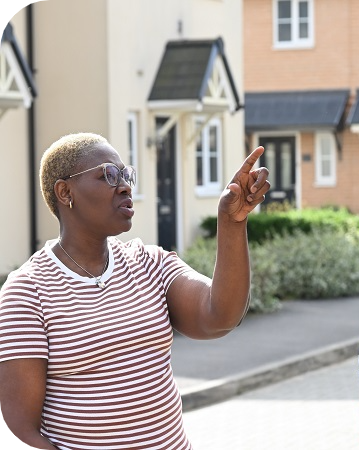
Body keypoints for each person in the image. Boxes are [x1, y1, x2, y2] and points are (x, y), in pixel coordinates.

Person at [0, 132, 270, 449]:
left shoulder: (149, 263)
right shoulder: (27, 291)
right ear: (65, 191)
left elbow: (220, 315)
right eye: (109, 175)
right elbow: (14, 433)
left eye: (127, 175)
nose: (125, 186)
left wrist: (232, 221)